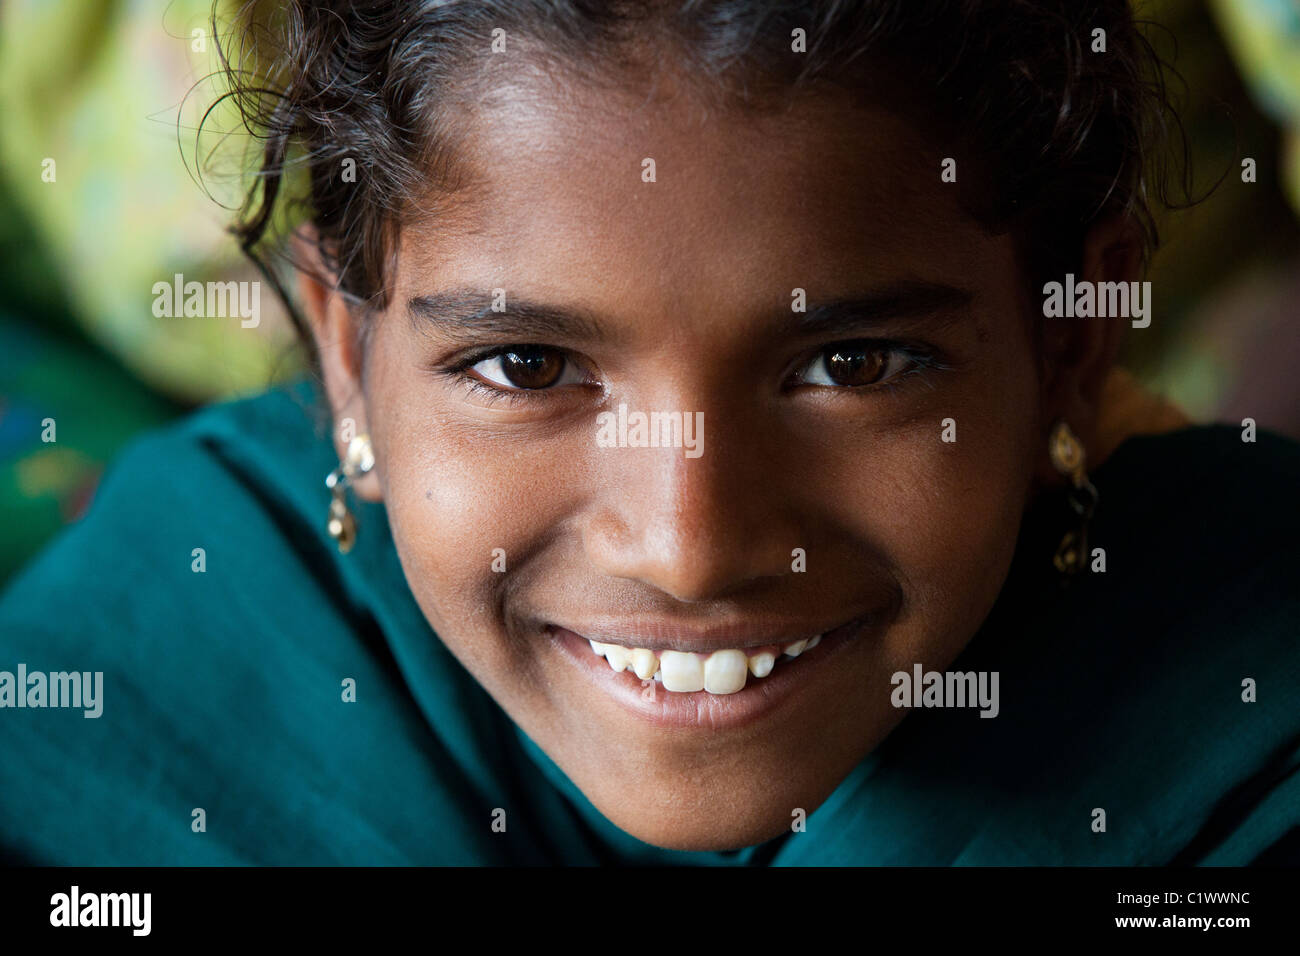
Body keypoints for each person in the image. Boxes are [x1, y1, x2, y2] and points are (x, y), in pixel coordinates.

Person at [1, 0, 1296, 865]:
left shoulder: (1249, 701)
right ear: (346, 354)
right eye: (525, 364)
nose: (689, 549)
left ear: (1070, 338)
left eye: (851, 363)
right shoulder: (144, 690)